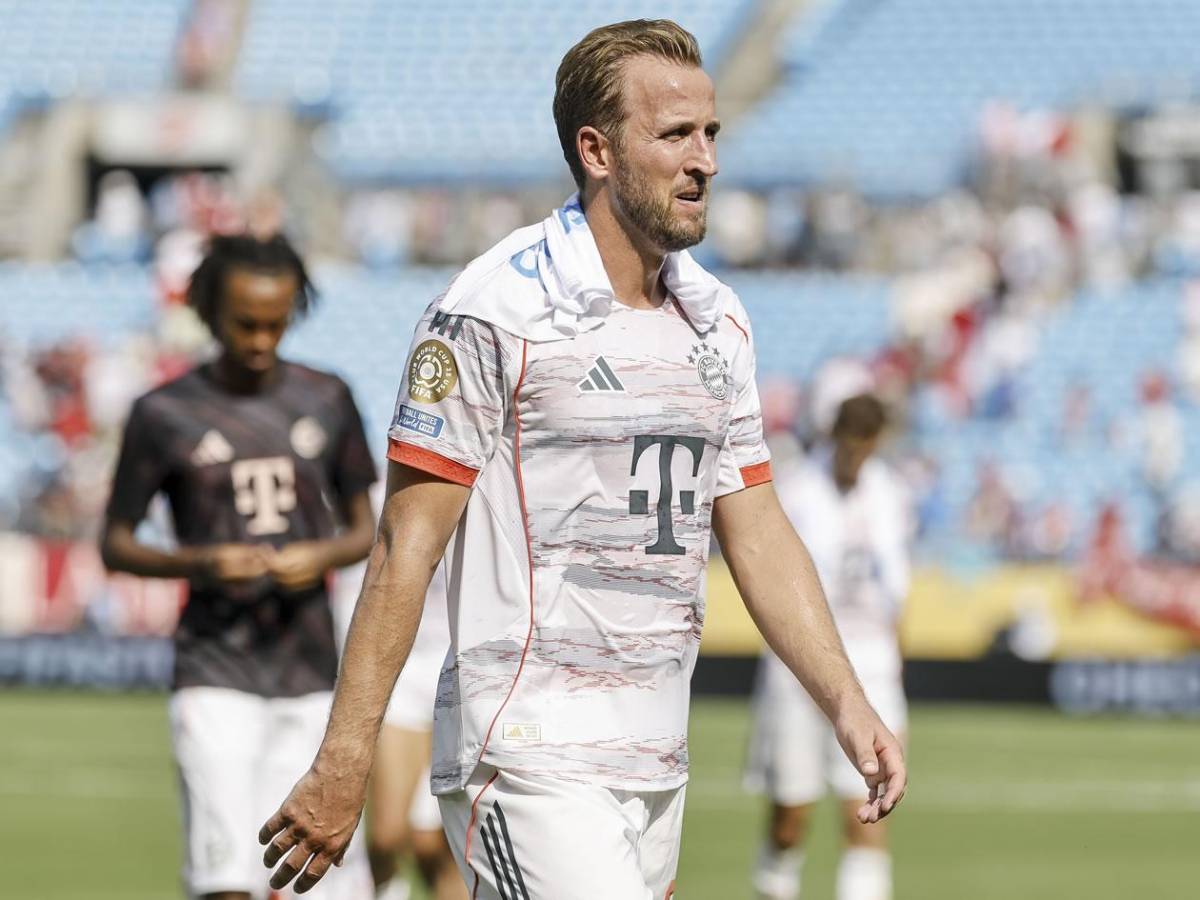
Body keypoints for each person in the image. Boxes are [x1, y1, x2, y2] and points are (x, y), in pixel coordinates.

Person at [260, 19, 906, 900]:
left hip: (655, 753)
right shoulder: (496, 308)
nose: (706, 160)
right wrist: (346, 759)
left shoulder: (719, 319)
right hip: (527, 746)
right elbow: (404, 544)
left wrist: (846, 699)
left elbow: (755, 528)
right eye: (675, 134)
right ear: (596, 150)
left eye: (711, 133)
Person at [100, 233, 377, 900]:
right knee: (225, 880)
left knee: (312, 881)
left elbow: (368, 530)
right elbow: (115, 542)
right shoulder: (163, 413)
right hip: (213, 668)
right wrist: (202, 562)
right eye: (244, 323)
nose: (260, 338)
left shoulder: (328, 398)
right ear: (208, 312)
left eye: (275, 323)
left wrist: (319, 554)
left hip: (312, 673)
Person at [747, 390, 911, 900]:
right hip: (802, 665)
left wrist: (897, 666)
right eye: (851, 446)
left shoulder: (890, 494)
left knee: (865, 813)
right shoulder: (798, 490)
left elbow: (897, 592)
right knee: (790, 816)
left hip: (872, 665)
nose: (857, 458)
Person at [366, 557, 468, 900]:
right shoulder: (358, 503)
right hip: (398, 670)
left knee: (438, 844)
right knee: (386, 834)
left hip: (461, 668)